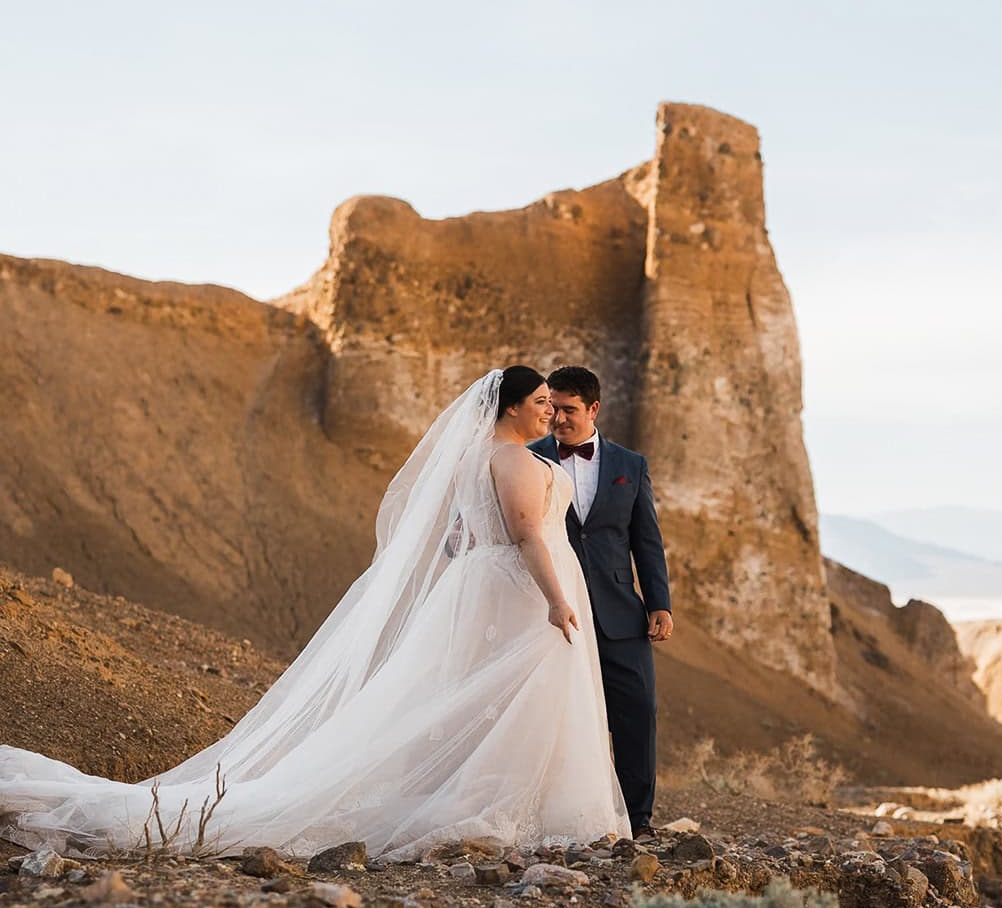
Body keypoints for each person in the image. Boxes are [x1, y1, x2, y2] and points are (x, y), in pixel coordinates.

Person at [0, 368, 629, 859]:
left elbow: (460, 536)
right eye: (542, 400)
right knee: (517, 699)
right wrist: (556, 599)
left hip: (483, 587)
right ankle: (516, 810)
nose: (549, 410)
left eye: (554, 402)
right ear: (513, 406)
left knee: (476, 698)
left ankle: (495, 803)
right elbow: (525, 533)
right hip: (519, 589)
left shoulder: (473, 459)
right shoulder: (515, 458)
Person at [529, 366, 671, 841]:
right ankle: (561, 816)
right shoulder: (528, 459)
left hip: (619, 611)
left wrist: (659, 603)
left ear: (593, 409)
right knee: (559, 714)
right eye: (552, 408)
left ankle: (639, 820)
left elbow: (645, 541)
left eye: (568, 410)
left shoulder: (631, 465)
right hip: (554, 609)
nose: (558, 419)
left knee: (637, 710)